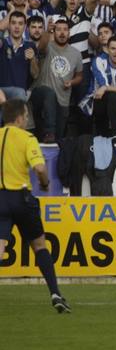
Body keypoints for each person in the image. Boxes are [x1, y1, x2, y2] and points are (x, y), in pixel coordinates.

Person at [0, 99, 70, 313]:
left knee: (0, 246)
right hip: (21, 198)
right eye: (27, 117)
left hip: (1, 198)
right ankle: (55, 293)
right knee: (39, 246)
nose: (27, 120)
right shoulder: (27, 138)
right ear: (20, 117)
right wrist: (45, 183)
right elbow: (39, 168)